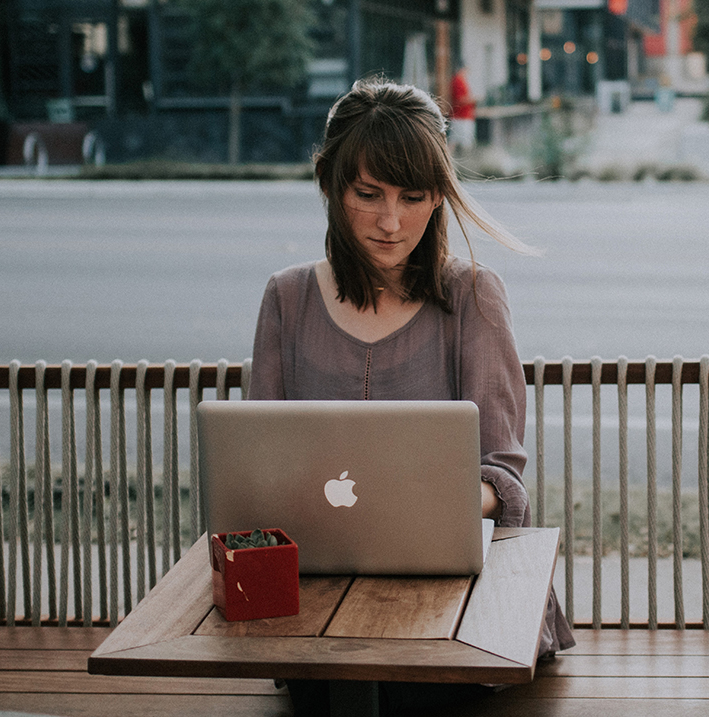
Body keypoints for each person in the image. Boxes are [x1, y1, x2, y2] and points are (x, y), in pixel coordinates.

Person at [248, 79, 573, 715]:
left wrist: (421, 503)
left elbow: (503, 478)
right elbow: (258, 466)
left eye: (413, 197)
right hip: (318, 601)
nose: (391, 223)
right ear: (330, 185)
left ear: (439, 198)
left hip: (456, 603)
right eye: (367, 195)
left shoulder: (473, 296)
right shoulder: (287, 298)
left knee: (408, 692)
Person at [448, 65, 476, 152]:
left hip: (463, 116)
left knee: (455, 140)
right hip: (461, 117)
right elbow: (460, 99)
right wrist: (473, 99)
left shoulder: (461, 81)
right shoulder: (457, 81)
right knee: (460, 142)